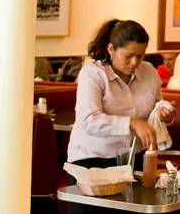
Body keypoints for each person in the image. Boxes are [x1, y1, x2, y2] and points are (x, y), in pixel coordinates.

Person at [68, 19, 172, 161]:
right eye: (128, 56)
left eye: (140, 56)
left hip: (135, 155)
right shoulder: (93, 73)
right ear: (111, 49)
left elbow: (156, 107)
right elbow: (89, 120)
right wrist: (132, 123)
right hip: (94, 157)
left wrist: (164, 115)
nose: (135, 62)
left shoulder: (149, 71)